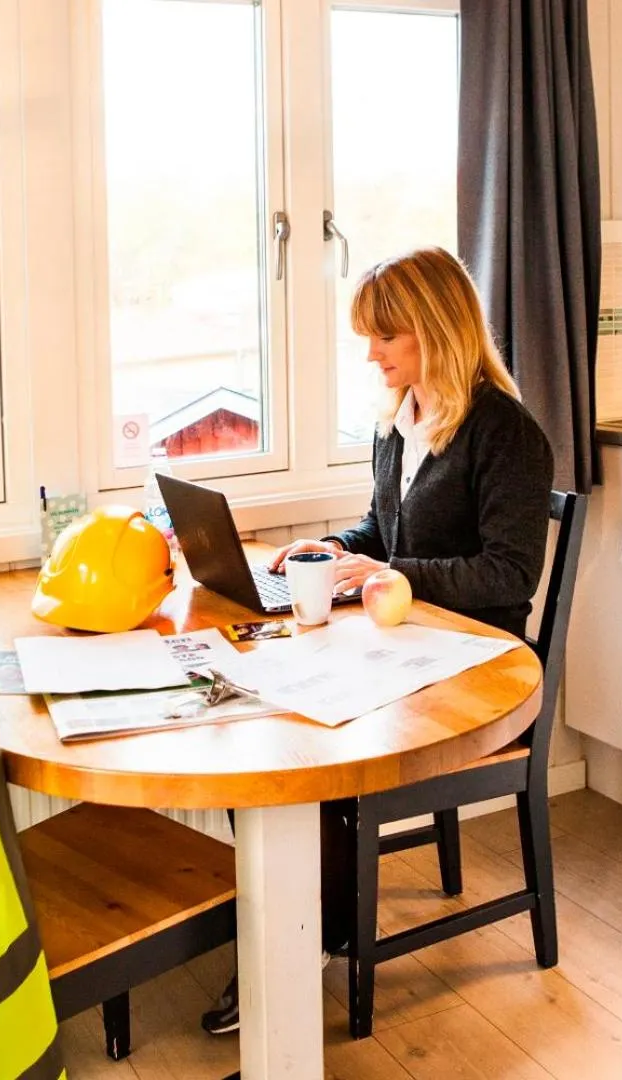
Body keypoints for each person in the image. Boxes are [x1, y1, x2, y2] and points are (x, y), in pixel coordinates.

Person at [199, 245, 555, 1036]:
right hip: (403, 645)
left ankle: (301, 939)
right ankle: (295, 924)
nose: (372, 355)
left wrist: (386, 572)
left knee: (307, 756)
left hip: (473, 663)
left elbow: (508, 574)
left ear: (434, 330)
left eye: (384, 338)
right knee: (260, 725)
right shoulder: (399, 422)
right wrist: (327, 548)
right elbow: (380, 528)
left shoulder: (506, 434)